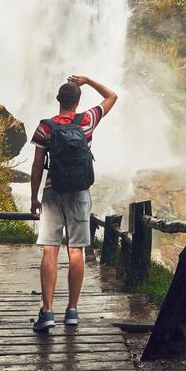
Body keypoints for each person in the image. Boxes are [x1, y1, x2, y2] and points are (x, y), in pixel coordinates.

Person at [29, 74, 117, 333]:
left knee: (49, 250)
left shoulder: (45, 126)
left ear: (58, 100)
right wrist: (88, 80)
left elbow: (36, 165)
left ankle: (47, 312)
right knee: (76, 250)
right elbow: (112, 97)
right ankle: (72, 311)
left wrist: (34, 198)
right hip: (79, 191)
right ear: (77, 101)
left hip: (53, 191)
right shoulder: (87, 120)